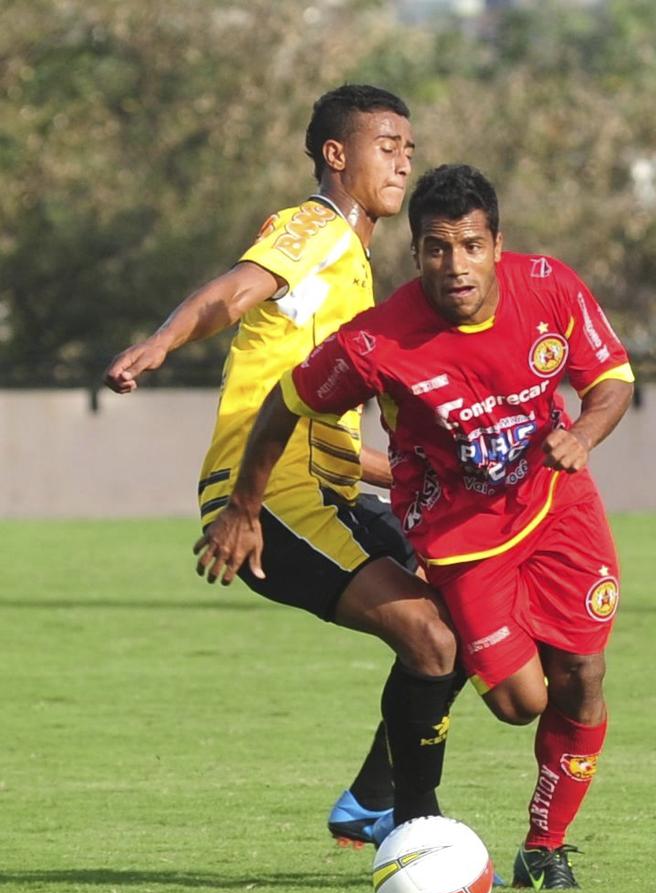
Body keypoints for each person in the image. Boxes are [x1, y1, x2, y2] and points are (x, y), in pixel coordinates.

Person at [194, 163, 636, 890]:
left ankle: (543, 845)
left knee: (583, 673)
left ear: (497, 245)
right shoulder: (379, 341)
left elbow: (611, 379)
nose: (454, 265)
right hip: (464, 539)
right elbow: (284, 405)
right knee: (519, 704)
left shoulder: (550, 286)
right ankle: (385, 801)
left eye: (469, 245)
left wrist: (582, 433)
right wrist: (242, 505)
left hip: (560, 510)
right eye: (436, 248)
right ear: (416, 254)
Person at [103, 85, 466, 849]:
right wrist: (162, 343)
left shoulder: (357, 267)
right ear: (336, 156)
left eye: (408, 146)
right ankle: (414, 829)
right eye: (386, 145)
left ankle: (374, 801)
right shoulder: (316, 228)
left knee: (461, 614)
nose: (403, 160)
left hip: (319, 486)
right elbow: (236, 290)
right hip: (267, 498)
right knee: (434, 640)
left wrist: (413, 472)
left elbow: (324, 433)